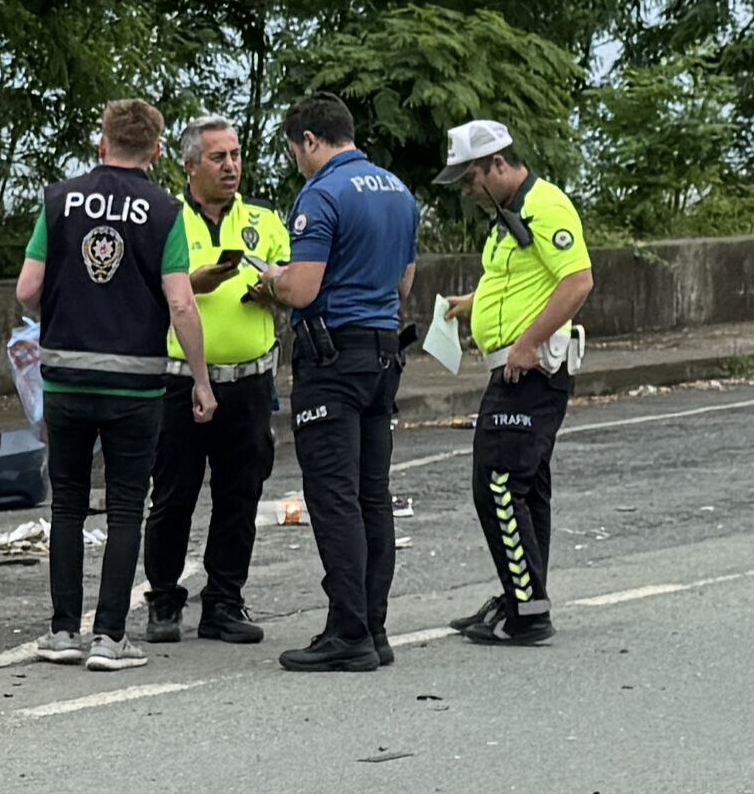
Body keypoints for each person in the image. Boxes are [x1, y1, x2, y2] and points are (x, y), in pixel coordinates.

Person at [14, 100, 212, 669]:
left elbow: (28, 289)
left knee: (70, 504)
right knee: (127, 506)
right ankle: (108, 638)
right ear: (155, 151)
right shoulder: (165, 210)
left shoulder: (59, 199)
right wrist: (200, 380)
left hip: (67, 377)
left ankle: (60, 633)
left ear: (102, 145)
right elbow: (180, 301)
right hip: (136, 385)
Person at [261, 91, 422, 673]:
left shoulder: (322, 193)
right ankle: (372, 627)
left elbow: (302, 289)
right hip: (383, 354)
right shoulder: (400, 193)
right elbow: (404, 285)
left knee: (334, 498)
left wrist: (271, 282)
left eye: (295, 151)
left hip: (332, 361)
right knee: (371, 494)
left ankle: (347, 632)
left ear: (310, 140)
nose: (297, 162)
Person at [437, 117, 594, 647]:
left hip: (532, 368)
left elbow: (578, 280)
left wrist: (528, 343)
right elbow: (519, 281)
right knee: (525, 487)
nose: (466, 191)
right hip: (517, 367)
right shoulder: (509, 215)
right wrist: (471, 303)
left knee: (500, 484)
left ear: (498, 165)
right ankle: (523, 596)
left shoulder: (545, 206)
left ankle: (527, 612)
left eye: (470, 179)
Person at [138, 115, 292, 644]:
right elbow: (138, 297)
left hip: (249, 382)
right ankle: (163, 599)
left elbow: (292, 281)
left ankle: (224, 600)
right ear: (190, 165)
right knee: (173, 493)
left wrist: (273, 292)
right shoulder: (164, 220)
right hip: (179, 381)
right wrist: (192, 284)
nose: (231, 166)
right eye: (218, 157)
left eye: (236, 155)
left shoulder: (265, 222)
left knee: (240, 493)